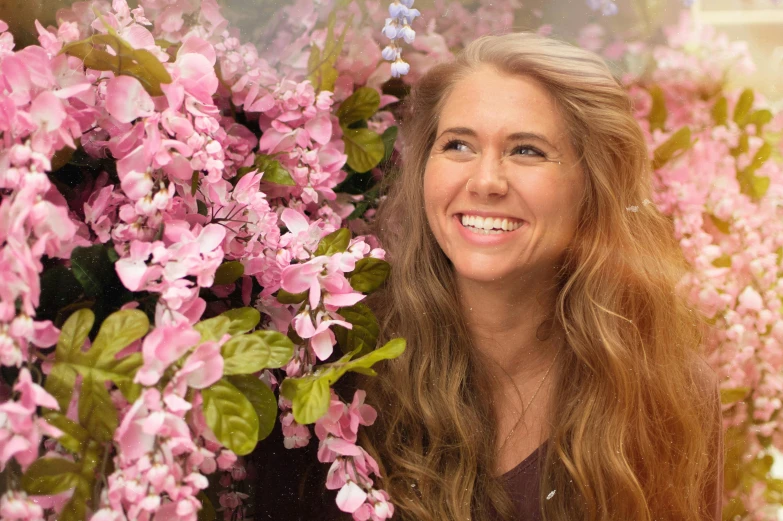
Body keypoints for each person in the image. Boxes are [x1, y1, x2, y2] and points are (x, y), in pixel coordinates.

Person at [357, 32, 724, 521]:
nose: (486, 182)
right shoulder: (353, 376)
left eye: (526, 150)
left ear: (593, 185)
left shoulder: (670, 391)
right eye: (458, 145)